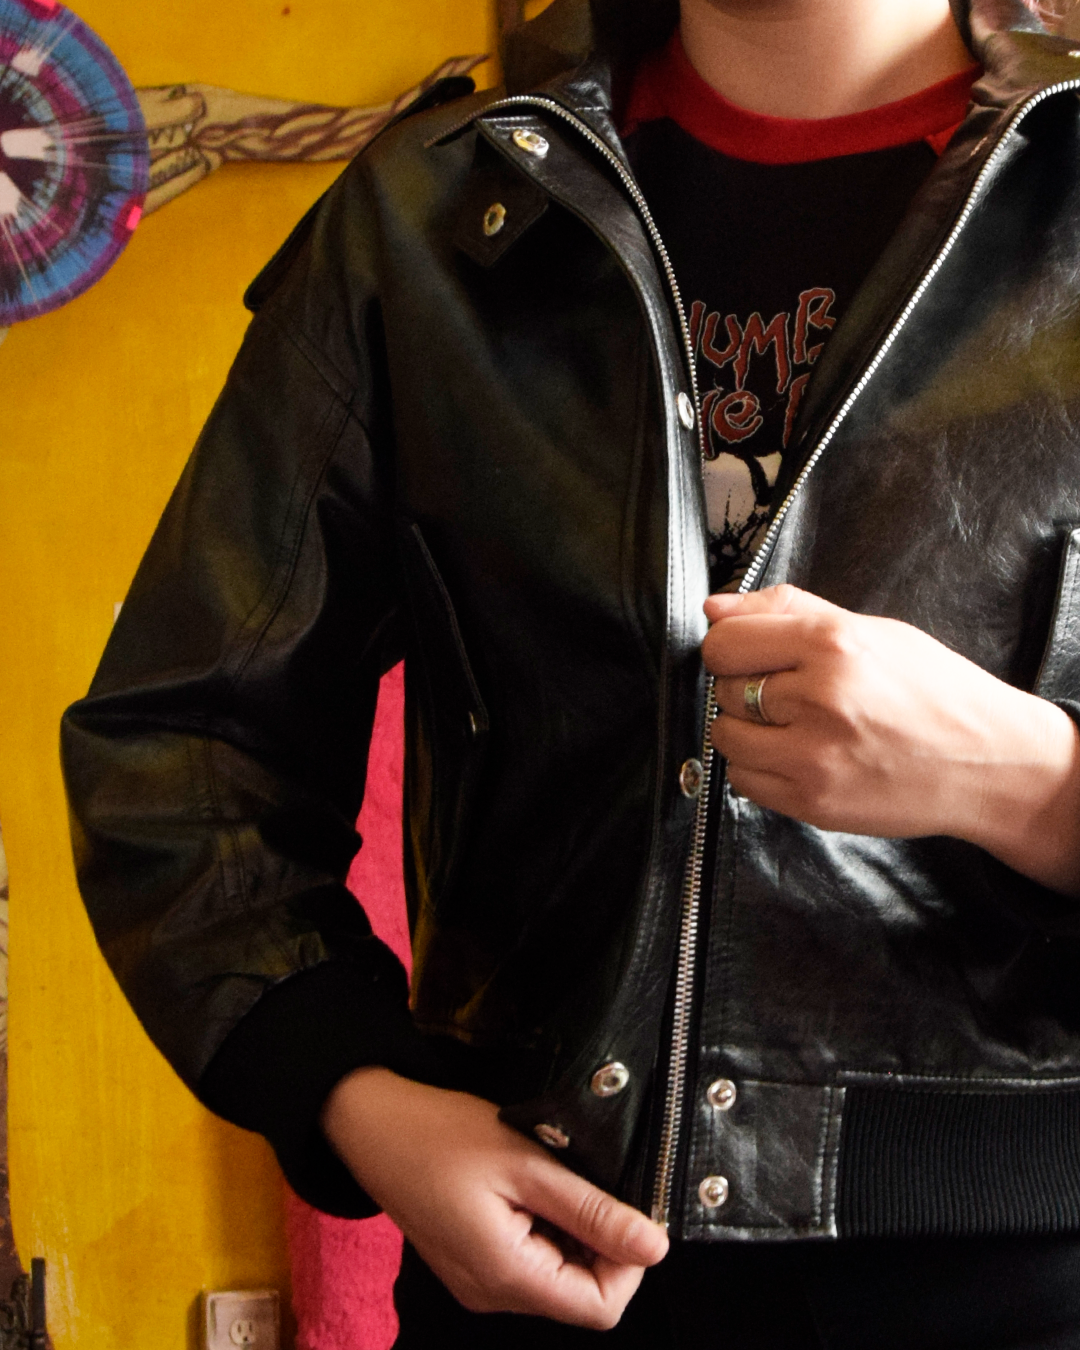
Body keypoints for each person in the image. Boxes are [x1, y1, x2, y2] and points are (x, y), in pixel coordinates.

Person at [61, 0, 1080, 1344]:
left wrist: (1025, 780)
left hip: (1027, 1281)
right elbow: (182, 744)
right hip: (533, 1268)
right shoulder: (434, 212)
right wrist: (357, 1096)